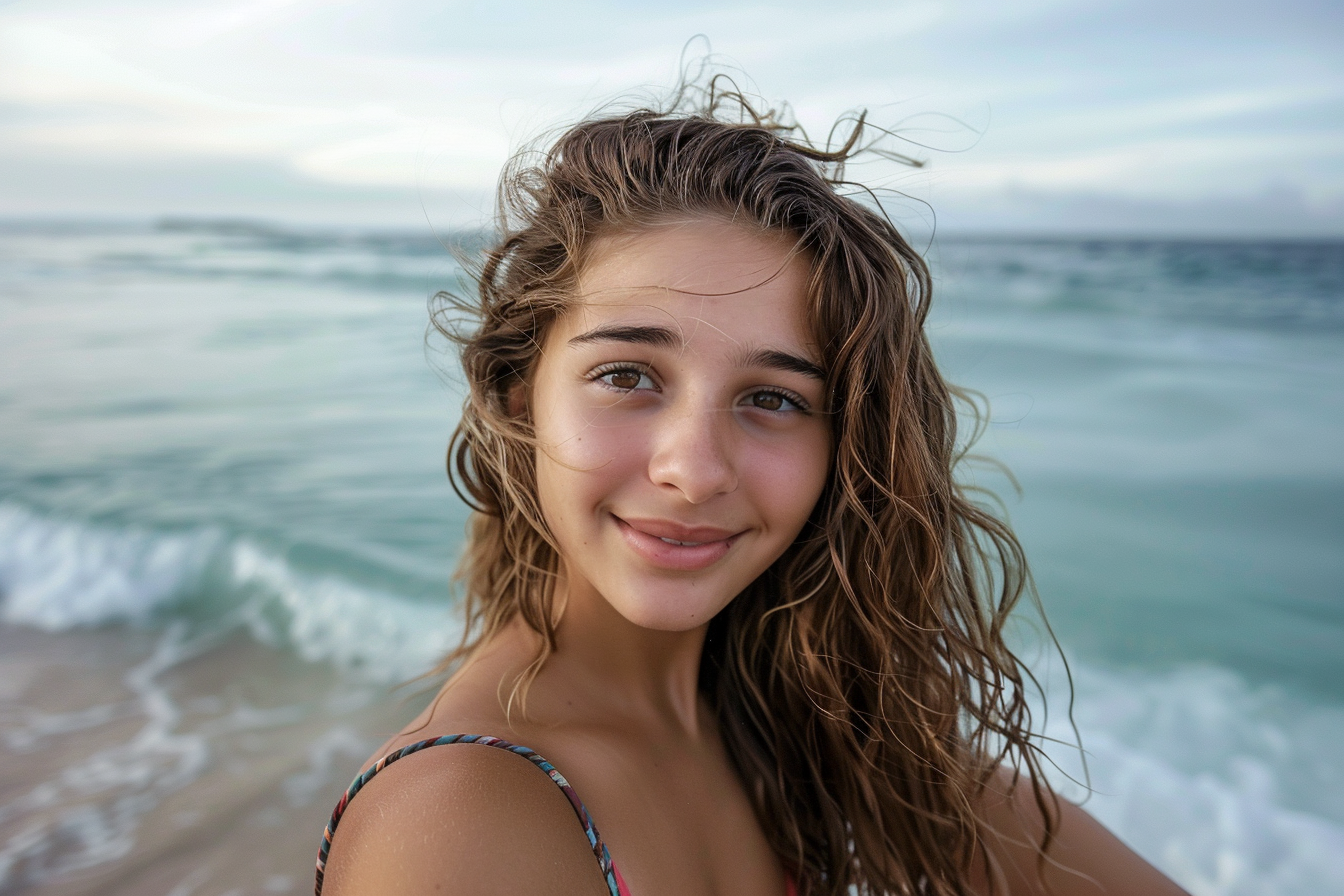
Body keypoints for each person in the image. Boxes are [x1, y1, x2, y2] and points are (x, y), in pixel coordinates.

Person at [315, 78, 1191, 896]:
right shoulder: (459, 821)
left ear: (846, 451)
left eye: (772, 398)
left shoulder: (806, 734)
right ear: (521, 403)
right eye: (627, 376)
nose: (692, 471)